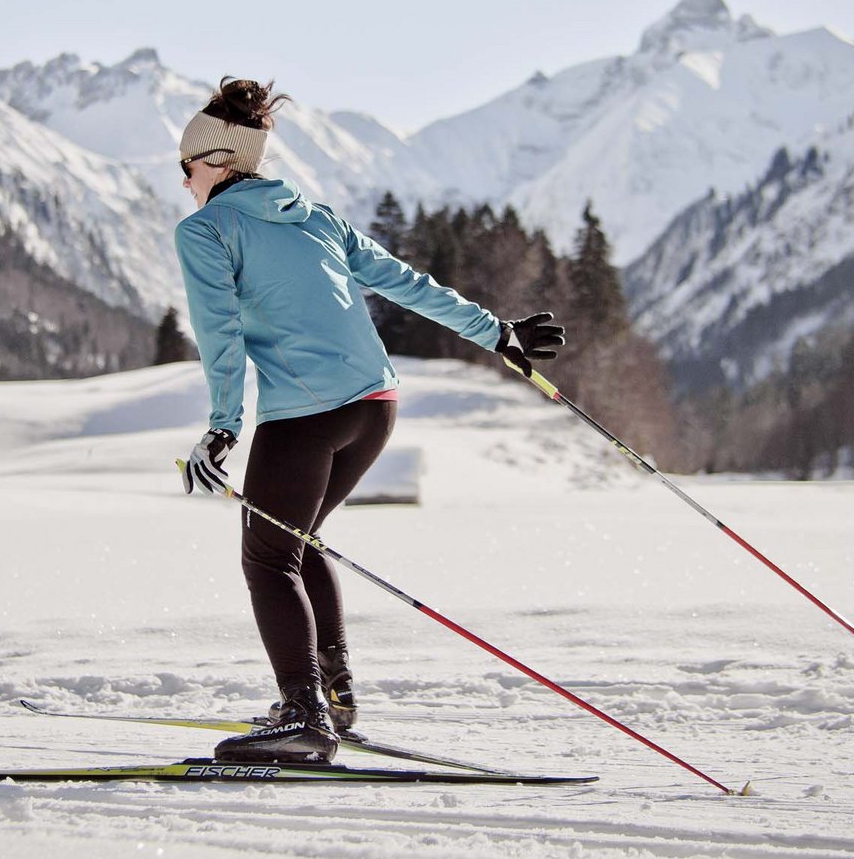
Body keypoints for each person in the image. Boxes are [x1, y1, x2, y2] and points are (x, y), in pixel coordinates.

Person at [172, 77, 565, 764]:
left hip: (307, 416)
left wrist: (223, 425)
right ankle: (333, 695)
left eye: (188, 167)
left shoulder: (207, 229)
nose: (184, 182)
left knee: (268, 559)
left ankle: (304, 715)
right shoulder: (314, 216)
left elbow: (220, 333)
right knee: (299, 541)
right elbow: (405, 282)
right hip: (375, 407)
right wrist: (495, 332)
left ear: (221, 164)